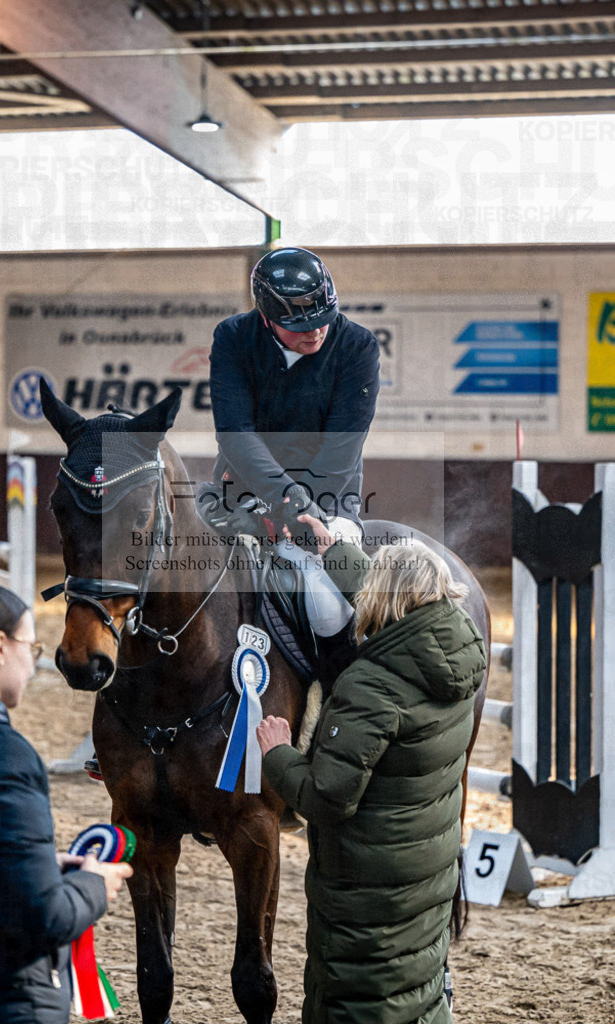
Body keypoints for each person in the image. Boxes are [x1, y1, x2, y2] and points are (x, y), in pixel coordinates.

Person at [256, 526, 487, 1024]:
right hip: (423, 876)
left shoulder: (370, 685)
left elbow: (327, 797)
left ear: (384, 597)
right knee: (417, 988)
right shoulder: (457, 656)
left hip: (366, 893)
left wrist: (277, 754)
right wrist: (332, 551)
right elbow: (401, 589)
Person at [0, 578, 133, 1024]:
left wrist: (37, 864)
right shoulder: (2, 756)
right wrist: (93, 886)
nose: (31, 662)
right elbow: (42, 918)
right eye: (32, 647)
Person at [207, 246, 381, 665]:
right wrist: (280, 499)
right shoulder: (232, 338)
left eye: (324, 319)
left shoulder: (358, 347)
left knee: (326, 603)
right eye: (300, 325)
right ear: (266, 318)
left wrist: (299, 511)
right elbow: (236, 433)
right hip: (243, 491)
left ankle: (335, 684)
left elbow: (342, 447)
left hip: (327, 498)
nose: (317, 332)